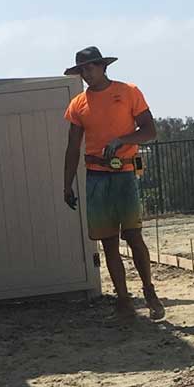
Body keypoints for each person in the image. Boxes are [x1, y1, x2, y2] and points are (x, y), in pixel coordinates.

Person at [62, 45, 165, 320]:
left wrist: (123, 140)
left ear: (103, 67)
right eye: (82, 69)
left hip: (124, 173)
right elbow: (72, 147)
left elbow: (150, 130)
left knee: (132, 235)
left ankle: (149, 292)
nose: (87, 73)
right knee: (108, 243)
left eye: (91, 67)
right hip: (96, 175)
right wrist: (67, 183)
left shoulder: (128, 91)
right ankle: (123, 300)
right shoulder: (78, 105)